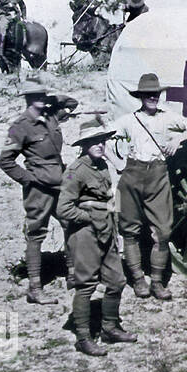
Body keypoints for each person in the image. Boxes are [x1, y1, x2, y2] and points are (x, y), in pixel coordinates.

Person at [109, 73, 187, 300]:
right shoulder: (128, 120)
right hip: (131, 174)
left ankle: (158, 282)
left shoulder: (167, 118)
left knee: (162, 231)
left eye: (155, 94)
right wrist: (118, 163)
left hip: (158, 175)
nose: (152, 98)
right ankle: (138, 280)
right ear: (140, 97)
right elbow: (107, 138)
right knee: (129, 230)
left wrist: (177, 139)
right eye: (147, 94)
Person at [58, 117, 135, 357]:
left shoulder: (102, 166)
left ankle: (109, 328)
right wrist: (89, 216)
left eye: (102, 141)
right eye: (94, 142)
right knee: (86, 284)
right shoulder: (75, 171)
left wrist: (113, 220)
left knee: (117, 280)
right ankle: (83, 337)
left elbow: (109, 197)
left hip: (106, 229)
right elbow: (63, 209)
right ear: (83, 144)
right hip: (85, 234)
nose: (100, 145)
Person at [0, 81, 71, 305]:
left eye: (42, 94)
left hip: (60, 185)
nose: (40, 98)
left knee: (71, 223)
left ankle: (74, 274)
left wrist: (52, 97)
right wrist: (29, 179)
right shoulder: (21, 126)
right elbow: (6, 160)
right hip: (39, 189)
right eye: (35, 95)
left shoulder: (51, 117)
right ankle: (35, 288)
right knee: (36, 234)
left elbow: (72, 102)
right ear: (27, 98)